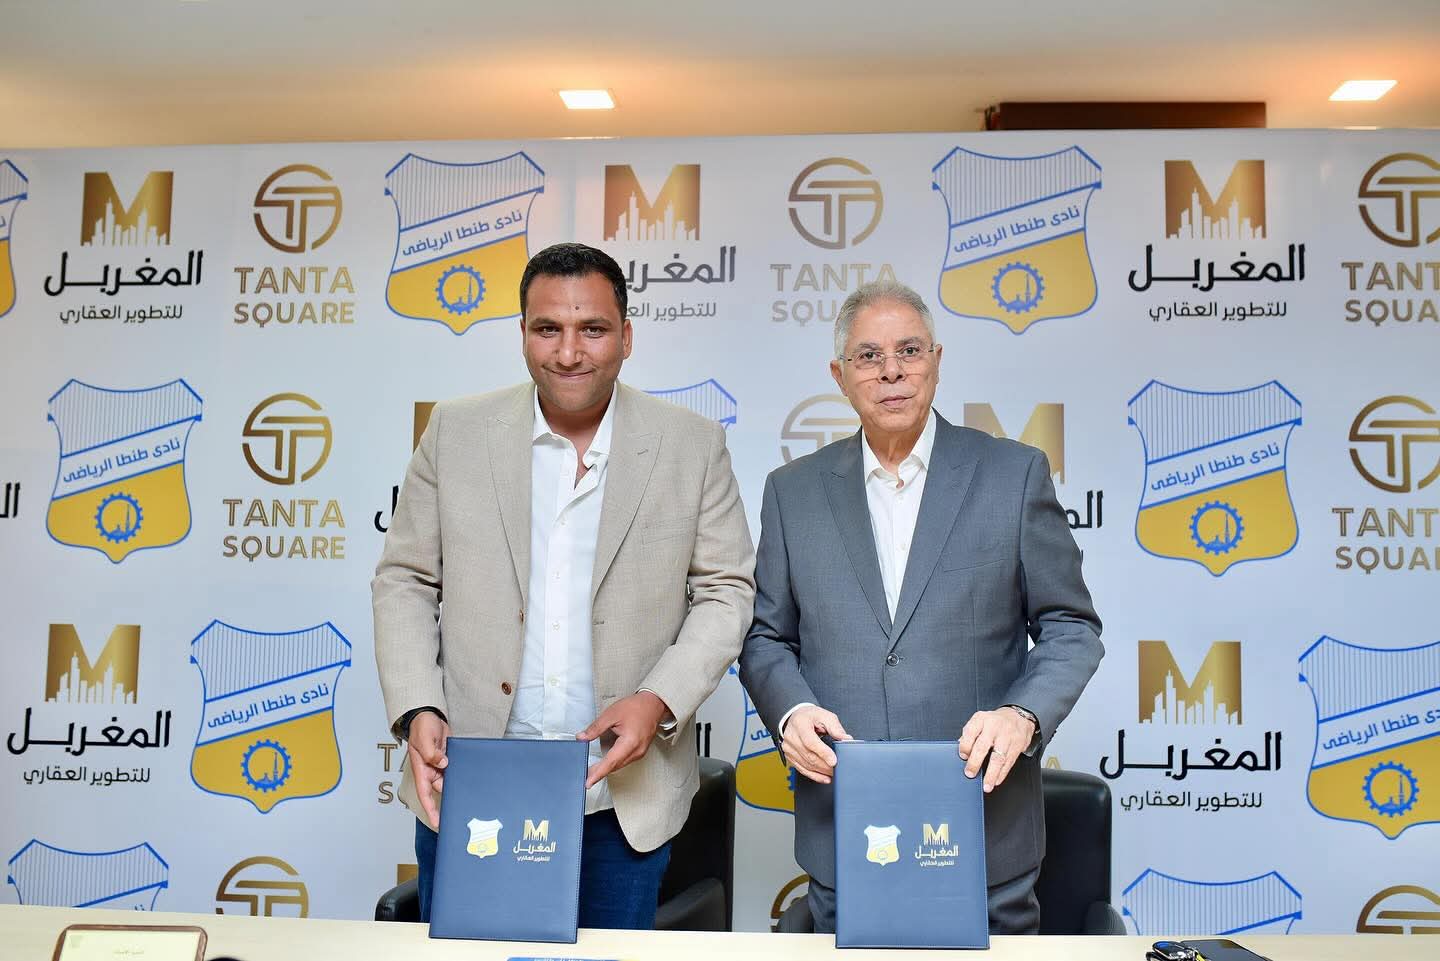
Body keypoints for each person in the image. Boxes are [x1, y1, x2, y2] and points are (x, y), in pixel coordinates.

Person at [373, 242, 755, 928]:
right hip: (472, 781)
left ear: (627, 336)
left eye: (593, 329)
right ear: (522, 333)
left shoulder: (692, 444)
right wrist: (417, 706)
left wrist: (658, 699)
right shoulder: (454, 432)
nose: (570, 352)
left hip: (621, 800)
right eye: (548, 328)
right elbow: (405, 578)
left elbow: (727, 591)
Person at [738, 280, 1102, 934]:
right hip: (845, 823)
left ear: (936, 359)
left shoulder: (1013, 474)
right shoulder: (792, 492)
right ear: (840, 376)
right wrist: (790, 711)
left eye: (909, 350)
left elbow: (1071, 626)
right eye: (869, 356)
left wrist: (1022, 714)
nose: (892, 371)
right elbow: (766, 638)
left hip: (984, 829)